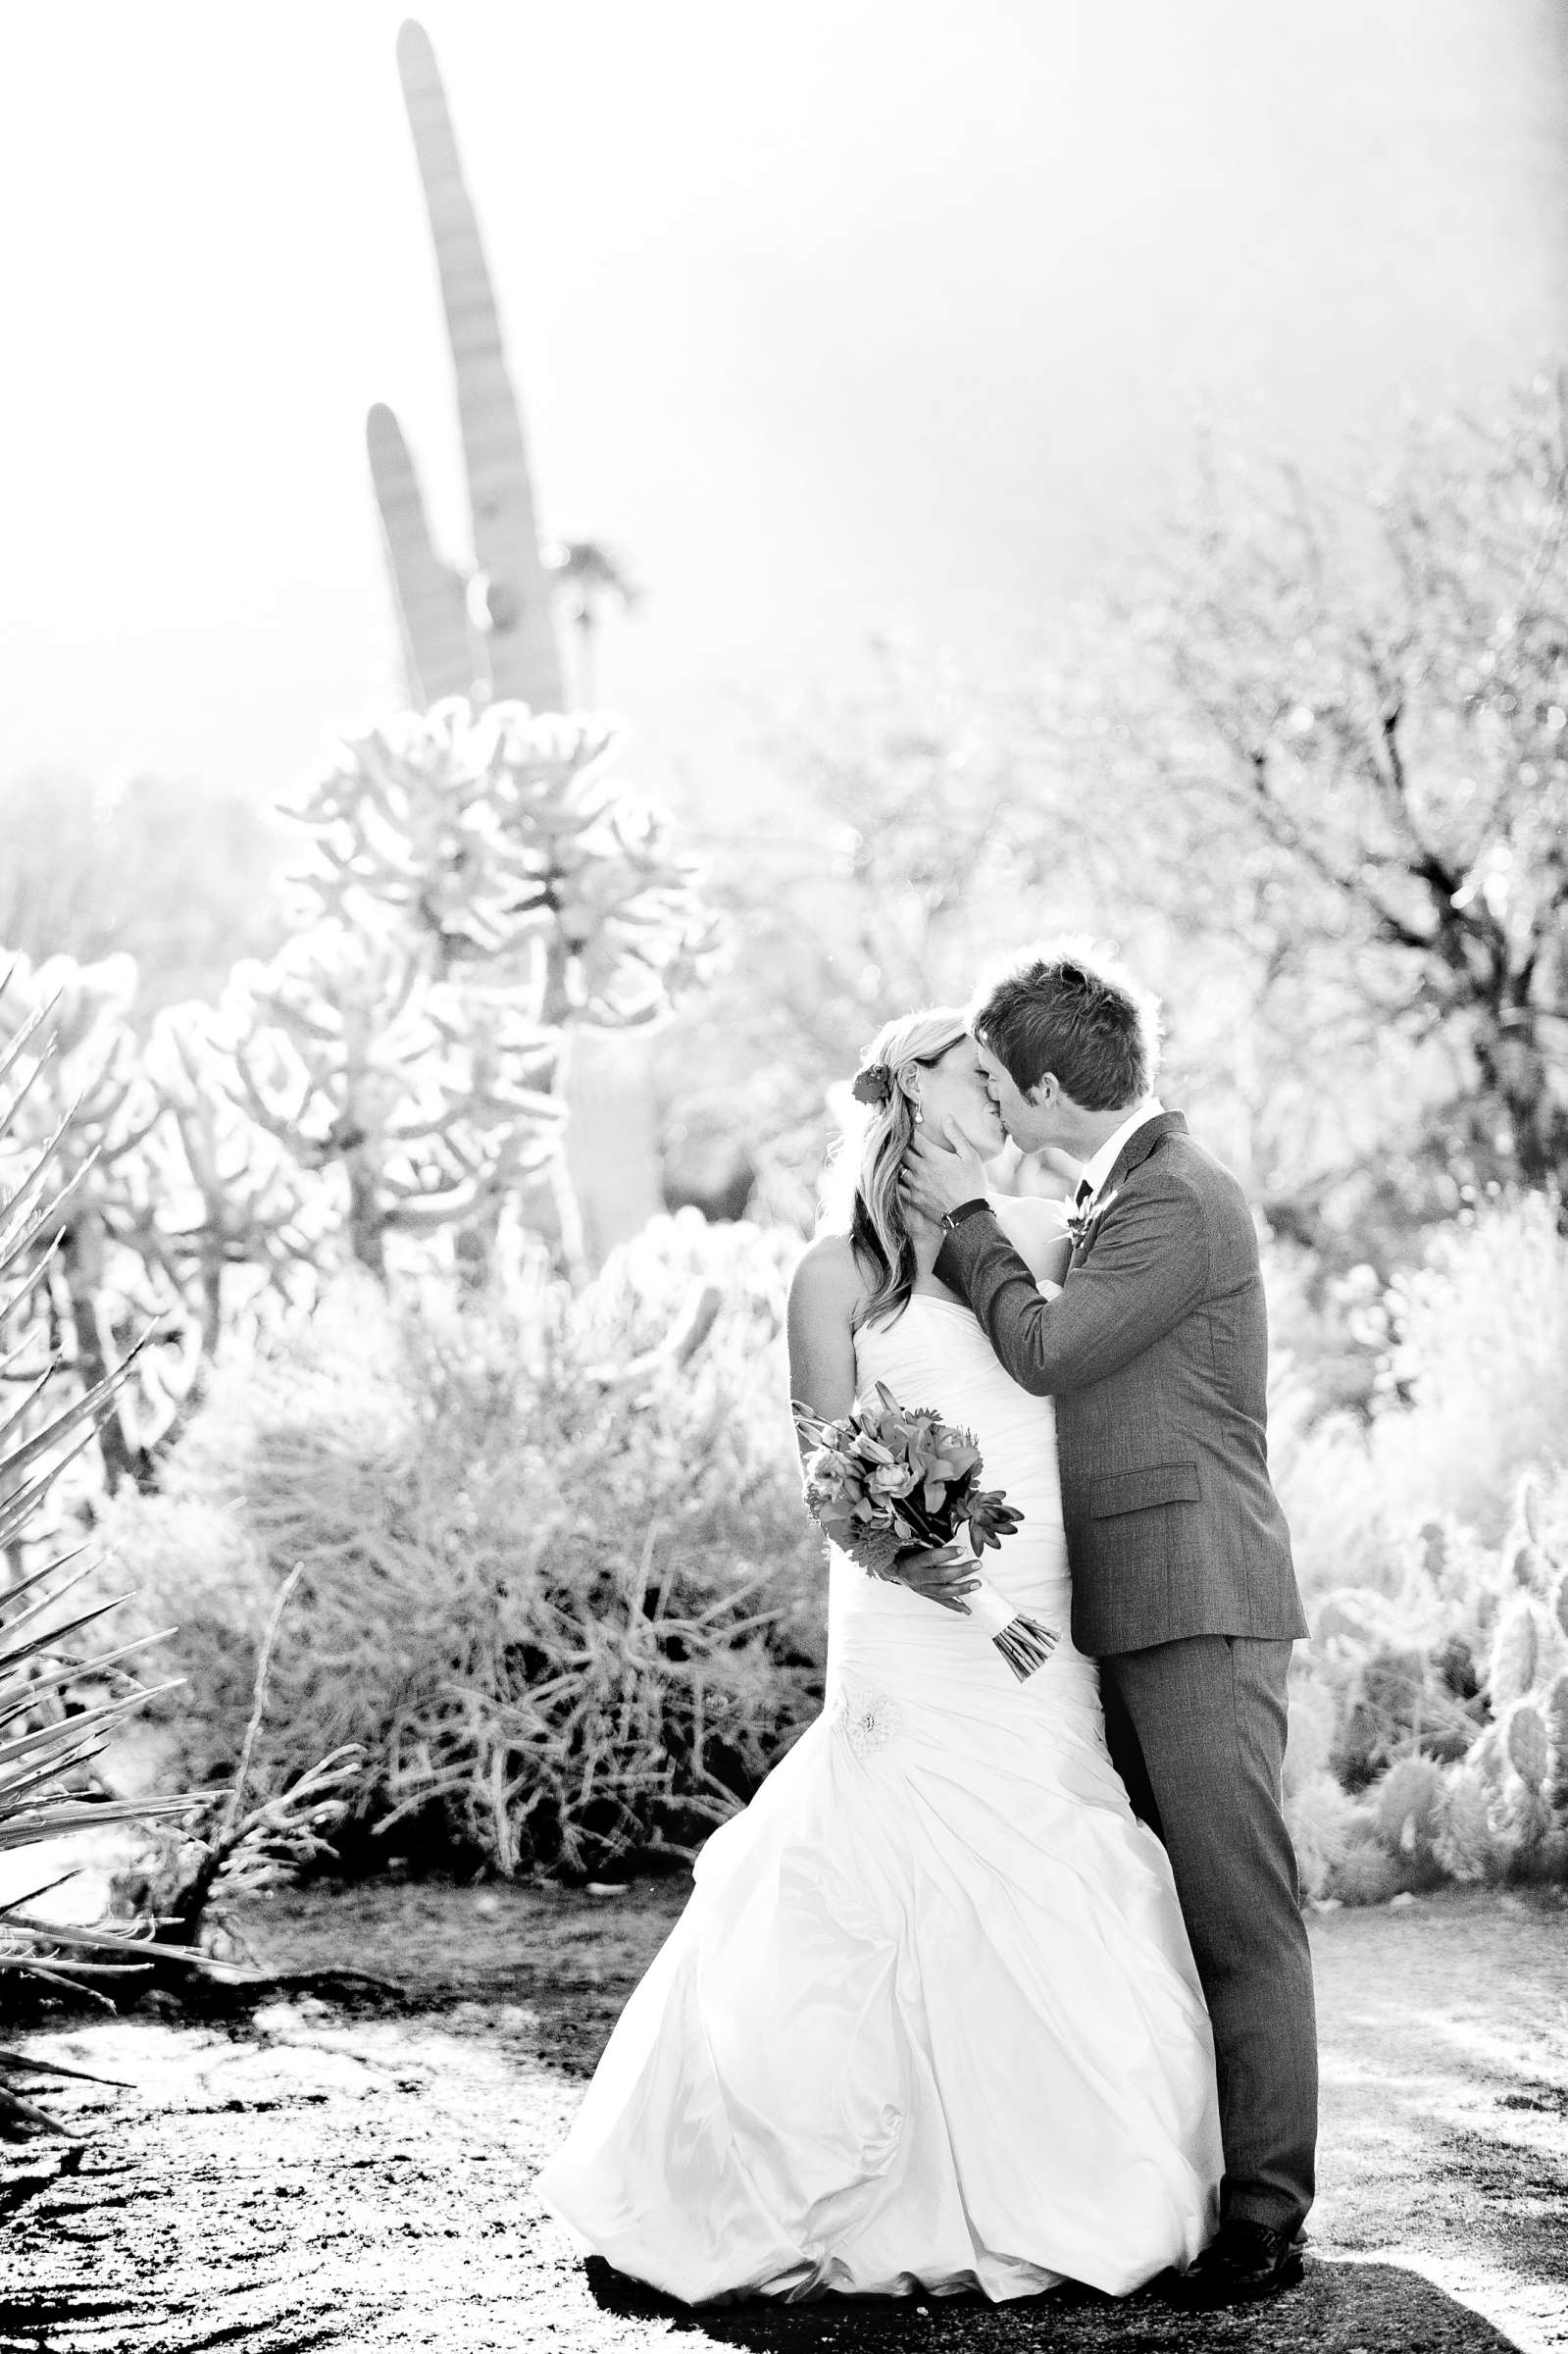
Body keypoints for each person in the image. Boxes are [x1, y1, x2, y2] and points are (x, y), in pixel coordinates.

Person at [535, 1006, 1223, 2306]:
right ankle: (844, 2190)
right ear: (910, 1090)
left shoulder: (1039, 1240)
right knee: (876, 1870)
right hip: (912, 1630)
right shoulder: (828, 1277)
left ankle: (1076, 2182)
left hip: (1045, 1617)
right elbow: (825, 1473)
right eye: (980, 1075)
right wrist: (942, 1571)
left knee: (1054, 1842)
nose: (1007, 1094)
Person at [900, 947, 1317, 2309]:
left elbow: (1054, 1352)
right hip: (1128, 1609)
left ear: (1037, 1085)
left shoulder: (1178, 1199)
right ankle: (1186, 2182)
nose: (1000, 1124)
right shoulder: (1116, 1194)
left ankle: (1267, 2219)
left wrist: (964, 1217)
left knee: (1239, 1920)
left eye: (1003, 1098)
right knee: (1156, 1916)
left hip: (1199, 1603)